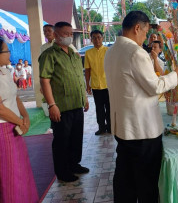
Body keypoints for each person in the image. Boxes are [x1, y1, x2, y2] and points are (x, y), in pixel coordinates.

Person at [104, 11, 178, 203]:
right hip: (141, 131)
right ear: (137, 28)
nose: (146, 38)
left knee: (125, 180)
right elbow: (155, 86)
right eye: (145, 32)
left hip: (123, 128)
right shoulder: (135, 52)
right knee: (146, 184)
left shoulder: (111, 51)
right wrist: (176, 75)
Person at [39, 21, 90, 183]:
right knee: (62, 140)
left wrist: (85, 97)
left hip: (77, 103)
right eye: (65, 34)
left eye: (70, 33)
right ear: (55, 35)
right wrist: (52, 105)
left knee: (76, 137)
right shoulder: (49, 55)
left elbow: (78, 78)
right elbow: (45, 80)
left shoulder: (74, 55)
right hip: (61, 106)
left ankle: (74, 164)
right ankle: (62, 171)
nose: (69, 37)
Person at [0, 38, 39, 202]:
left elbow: (15, 98)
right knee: (11, 176)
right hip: (4, 131)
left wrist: (26, 116)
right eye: (6, 51)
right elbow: (0, 109)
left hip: (14, 127)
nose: (9, 53)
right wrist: (19, 121)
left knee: (22, 171)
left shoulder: (6, 72)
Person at [84, 30, 110, 135]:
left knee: (109, 107)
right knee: (99, 108)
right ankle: (101, 128)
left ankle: (111, 127)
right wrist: (87, 84)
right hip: (95, 85)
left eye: (99, 37)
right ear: (91, 40)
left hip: (108, 85)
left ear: (102, 38)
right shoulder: (88, 53)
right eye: (94, 38)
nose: (97, 40)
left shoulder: (109, 51)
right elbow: (87, 70)